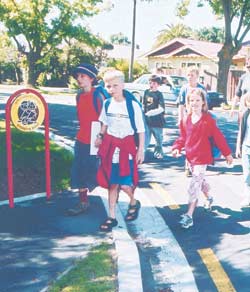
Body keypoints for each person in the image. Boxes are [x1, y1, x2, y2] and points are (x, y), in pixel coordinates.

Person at [172, 88, 233, 229]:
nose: (194, 103)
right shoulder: (185, 120)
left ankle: (189, 216)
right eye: (191, 100)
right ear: (188, 102)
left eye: (197, 100)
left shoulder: (208, 120)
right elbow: (182, 137)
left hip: (202, 157)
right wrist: (177, 147)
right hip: (190, 157)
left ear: (204, 102)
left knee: (194, 184)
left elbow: (218, 137)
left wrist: (227, 153)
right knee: (200, 180)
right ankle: (208, 197)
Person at [95, 69, 145, 232]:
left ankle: (133, 201)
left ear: (123, 85)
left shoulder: (132, 106)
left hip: (127, 148)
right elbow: (105, 123)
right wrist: (100, 136)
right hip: (111, 148)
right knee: (112, 184)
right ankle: (112, 217)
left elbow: (140, 130)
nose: (112, 89)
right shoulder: (107, 104)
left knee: (125, 184)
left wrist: (141, 150)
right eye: (108, 86)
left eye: (115, 86)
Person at [67, 63, 107, 216]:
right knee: (79, 170)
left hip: (96, 139)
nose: (79, 79)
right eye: (78, 76)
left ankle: (113, 197)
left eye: (82, 76)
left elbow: (106, 119)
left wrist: (101, 137)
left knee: (97, 170)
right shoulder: (79, 95)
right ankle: (83, 202)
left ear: (91, 78)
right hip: (81, 139)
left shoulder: (98, 95)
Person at [177, 67, 206, 176]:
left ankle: (197, 163)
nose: (190, 77)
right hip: (188, 119)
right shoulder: (184, 88)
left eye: (192, 75)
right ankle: (188, 165)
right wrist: (180, 118)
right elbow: (180, 105)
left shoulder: (201, 89)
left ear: (197, 77)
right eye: (188, 75)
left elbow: (205, 105)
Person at [142, 75, 165, 159]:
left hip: (157, 122)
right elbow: (144, 104)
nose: (151, 84)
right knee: (145, 138)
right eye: (150, 82)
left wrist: (151, 112)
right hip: (147, 121)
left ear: (158, 85)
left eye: (154, 83)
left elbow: (161, 108)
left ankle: (158, 152)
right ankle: (142, 154)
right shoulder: (146, 92)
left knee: (158, 139)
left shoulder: (159, 94)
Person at [236, 92, 250, 208]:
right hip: (246, 147)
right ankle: (247, 196)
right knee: (246, 174)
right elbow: (241, 131)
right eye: (248, 103)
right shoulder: (245, 114)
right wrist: (238, 147)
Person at [230, 57, 250, 121]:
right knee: (242, 130)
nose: (248, 68)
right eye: (247, 66)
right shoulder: (243, 77)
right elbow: (237, 95)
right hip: (243, 110)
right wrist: (232, 109)